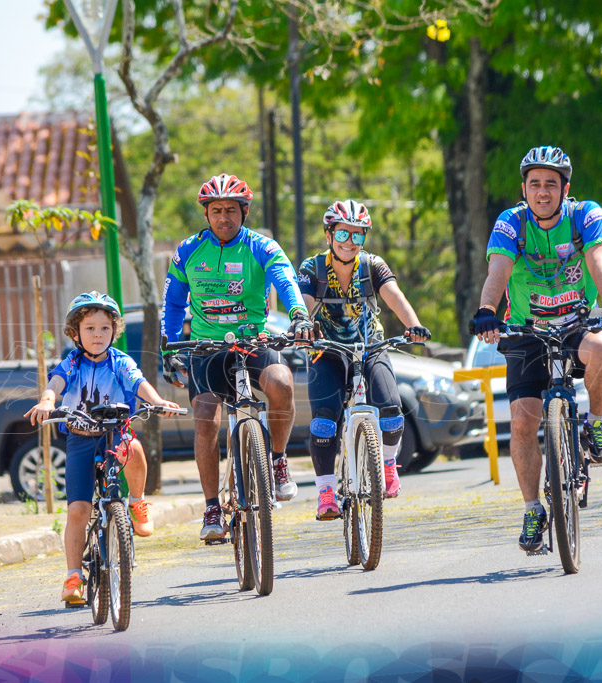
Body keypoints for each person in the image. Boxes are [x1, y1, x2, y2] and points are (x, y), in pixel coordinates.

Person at [469, 146, 602, 554]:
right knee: (523, 423)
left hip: (576, 323)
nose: (542, 192)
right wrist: (487, 310)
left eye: (551, 184)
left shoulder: (585, 215)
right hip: (526, 331)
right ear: (523, 189)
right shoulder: (512, 222)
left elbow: (599, 261)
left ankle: (594, 424)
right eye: (534, 184)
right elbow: (498, 270)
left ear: (565, 188)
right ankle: (532, 509)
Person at [161, 173, 313, 542]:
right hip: (207, 348)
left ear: (244, 212)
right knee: (205, 419)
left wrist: (298, 314)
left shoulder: (262, 247)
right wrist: (169, 344)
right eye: (216, 211)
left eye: (231, 210)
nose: (223, 217)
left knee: (281, 383)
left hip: (253, 340)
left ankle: (277, 460)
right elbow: (173, 301)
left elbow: (285, 280)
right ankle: (212, 505)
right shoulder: (187, 251)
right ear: (206, 214)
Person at [25, 291, 181, 605]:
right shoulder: (72, 362)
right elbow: (55, 384)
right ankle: (73, 576)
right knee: (78, 511)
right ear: (75, 333)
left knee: (133, 449)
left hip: (114, 433)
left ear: (114, 331)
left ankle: (136, 502)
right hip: (80, 438)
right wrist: (46, 400)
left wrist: (158, 402)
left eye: (105, 328)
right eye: (90, 328)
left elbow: (139, 383)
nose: (98, 334)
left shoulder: (120, 361)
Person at [298, 200, 431, 519]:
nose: (349, 242)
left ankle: (387, 465)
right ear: (329, 234)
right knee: (323, 423)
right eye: (343, 234)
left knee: (392, 414)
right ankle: (327, 491)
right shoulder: (312, 268)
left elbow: (393, 294)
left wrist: (413, 325)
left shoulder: (372, 266)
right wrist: (302, 324)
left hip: (371, 345)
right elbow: (303, 301)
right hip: (326, 350)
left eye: (358, 236)